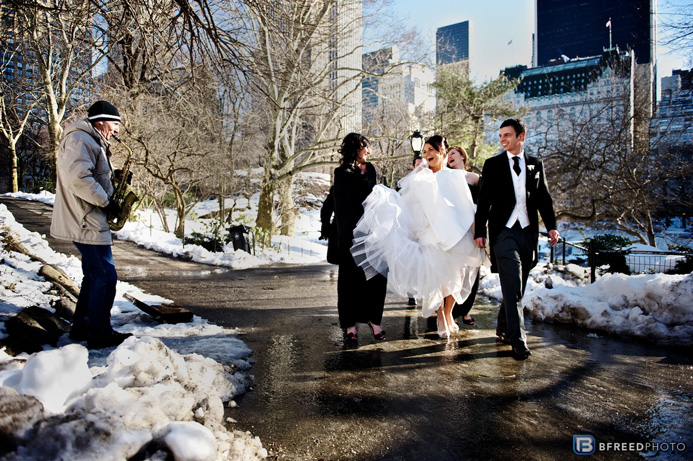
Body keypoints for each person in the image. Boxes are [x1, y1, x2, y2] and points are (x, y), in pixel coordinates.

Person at [351, 135, 482, 339]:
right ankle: (440, 315)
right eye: (426, 150)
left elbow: (479, 182)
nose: (428, 153)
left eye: (432, 149)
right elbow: (407, 202)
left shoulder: (455, 176)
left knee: (458, 276)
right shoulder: (422, 175)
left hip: (455, 233)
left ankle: (448, 313)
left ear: (443, 152)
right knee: (439, 277)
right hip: (431, 233)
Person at [50, 100, 133, 350]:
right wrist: (108, 201)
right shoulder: (81, 140)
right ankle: (99, 333)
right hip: (85, 219)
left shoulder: (90, 140)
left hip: (88, 217)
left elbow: (90, 174)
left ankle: (83, 327)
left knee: (94, 276)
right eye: (115, 123)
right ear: (100, 122)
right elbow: (78, 178)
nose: (118, 129)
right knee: (105, 276)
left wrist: (114, 179)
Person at [474, 118, 559, 360]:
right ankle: (518, 340)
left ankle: (503, 327)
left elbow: (544, 197)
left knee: (517, 287)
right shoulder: (493, 164)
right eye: (500, 135)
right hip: (503, 231)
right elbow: (484, 201)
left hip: (528, 232)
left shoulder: (535, 164)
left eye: (507, 135)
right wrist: (480, 231)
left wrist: (551, 227)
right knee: (512, 287)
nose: (502, 139)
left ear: (521, 136)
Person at [332, 133, 387, 343]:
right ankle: (349, 325)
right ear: (356, 148)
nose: (369, 151)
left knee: (377, 278)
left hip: (372, 234)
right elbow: (347, 204)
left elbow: (373, 198)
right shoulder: (341, 173)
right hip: (350, 236)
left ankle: (374, 321)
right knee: (349, 283)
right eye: (366, 147)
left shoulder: (370, 169)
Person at [447, 145, 480, 326]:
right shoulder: (446, 177)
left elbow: (484, 201)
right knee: (456, 269)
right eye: (448, 154)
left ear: (462, 156)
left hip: (473, 227)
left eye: (453, 153)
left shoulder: (473, 178)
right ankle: (452, 311)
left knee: (473, 268)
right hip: (455, 227)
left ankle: (465, 310)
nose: (450, 156)